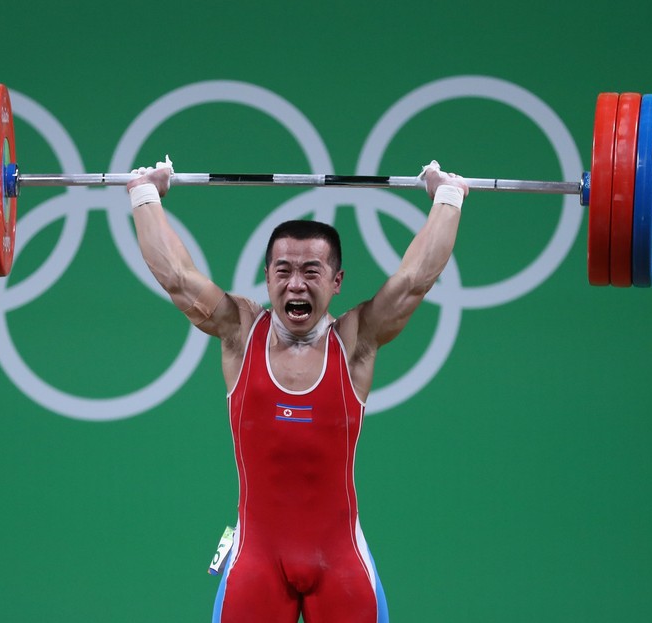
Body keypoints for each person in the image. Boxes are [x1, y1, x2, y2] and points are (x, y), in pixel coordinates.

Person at [126, 158, 468, 623]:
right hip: (256, 562)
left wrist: (447, 198)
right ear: (267, 278)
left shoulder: (355, 342)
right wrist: (145, 194)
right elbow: (177, 279)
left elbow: (413, 283)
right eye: (283, 270)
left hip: (341, 565)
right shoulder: (240, 333)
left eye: (311, 270)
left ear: (336, 282)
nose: (296, 284)